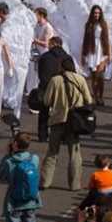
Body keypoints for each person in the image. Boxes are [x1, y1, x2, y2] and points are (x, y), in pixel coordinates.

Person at [39, 57, 92, 191]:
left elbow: (46, 101)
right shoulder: (80, 79)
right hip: (74, 122)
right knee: (74, 153)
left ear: (61, 67)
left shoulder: (55, 80)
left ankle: (45, 181)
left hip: (57, 120)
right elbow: (88, 100)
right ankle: (75, 184)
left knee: (52, 152)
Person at [36, 37, 75, 142]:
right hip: (63, 89)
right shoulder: (67, 57)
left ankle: (42, 135)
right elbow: (72, 74)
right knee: (63, 113)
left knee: (44, 112)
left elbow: (40, 73)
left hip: (46, 87)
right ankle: (63, 136)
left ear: (52, 44)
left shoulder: (45, 57)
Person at [81, 5, 111, 106]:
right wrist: (83, 55)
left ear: (101, 14)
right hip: (91, 52)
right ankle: (96, 97)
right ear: (92, 14)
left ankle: (100, 96)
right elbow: (85, 40)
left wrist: (109, 55)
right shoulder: (88, 24)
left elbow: (107, 39)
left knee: (101, 77)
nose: (96, 15)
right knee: (93, 77)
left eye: (98, 13)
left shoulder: (104, 24)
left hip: (101, 51)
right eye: (95, 13)